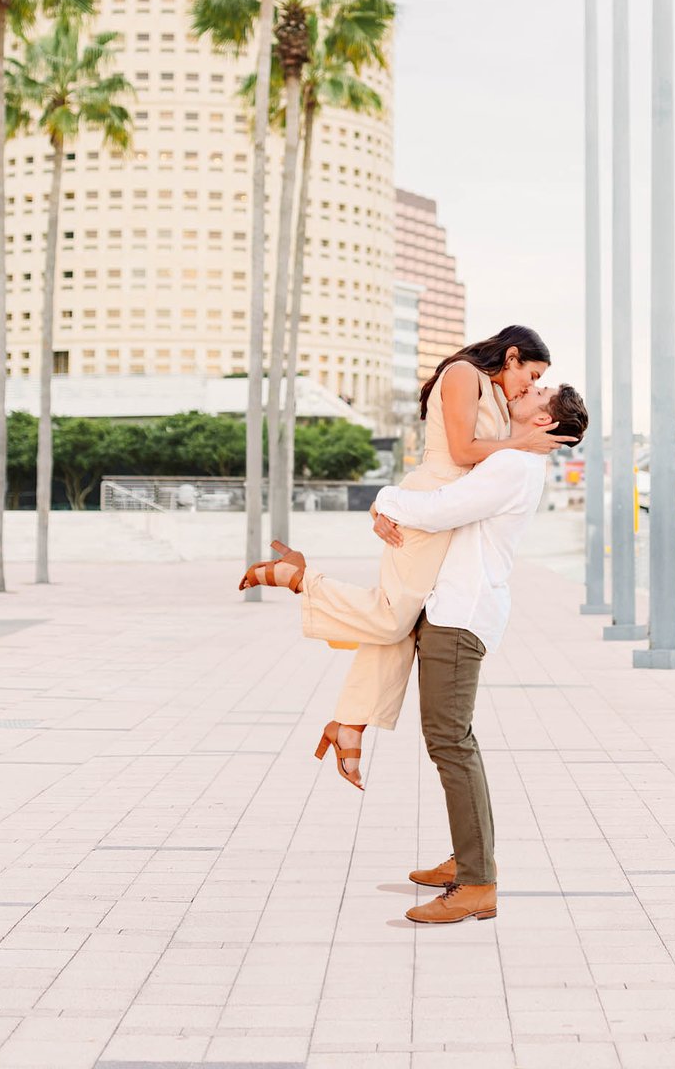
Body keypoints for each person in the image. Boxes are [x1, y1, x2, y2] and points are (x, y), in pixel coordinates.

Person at [249, 381, 589, 925]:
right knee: (447, 734)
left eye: (538, 390)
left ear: (544, 421)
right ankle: (469, 858)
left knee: (450, 742)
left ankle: (476, 882)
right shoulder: (512, 460)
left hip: (460, 616)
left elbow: (438, 510)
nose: (527, 388)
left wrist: (384, 499)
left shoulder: (513, 465)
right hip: (451, 608)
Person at [240, 325, 573, 788]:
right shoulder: (464, 373)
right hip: (430, 504)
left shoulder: (497, 394)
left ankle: (350, 725)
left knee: (403, 624)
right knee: (391, 619)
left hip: (445, 510)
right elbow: (461, 451)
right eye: (531, 375)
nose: (529, 386)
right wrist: (521, 444)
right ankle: (299, 578)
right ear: (512, 356)